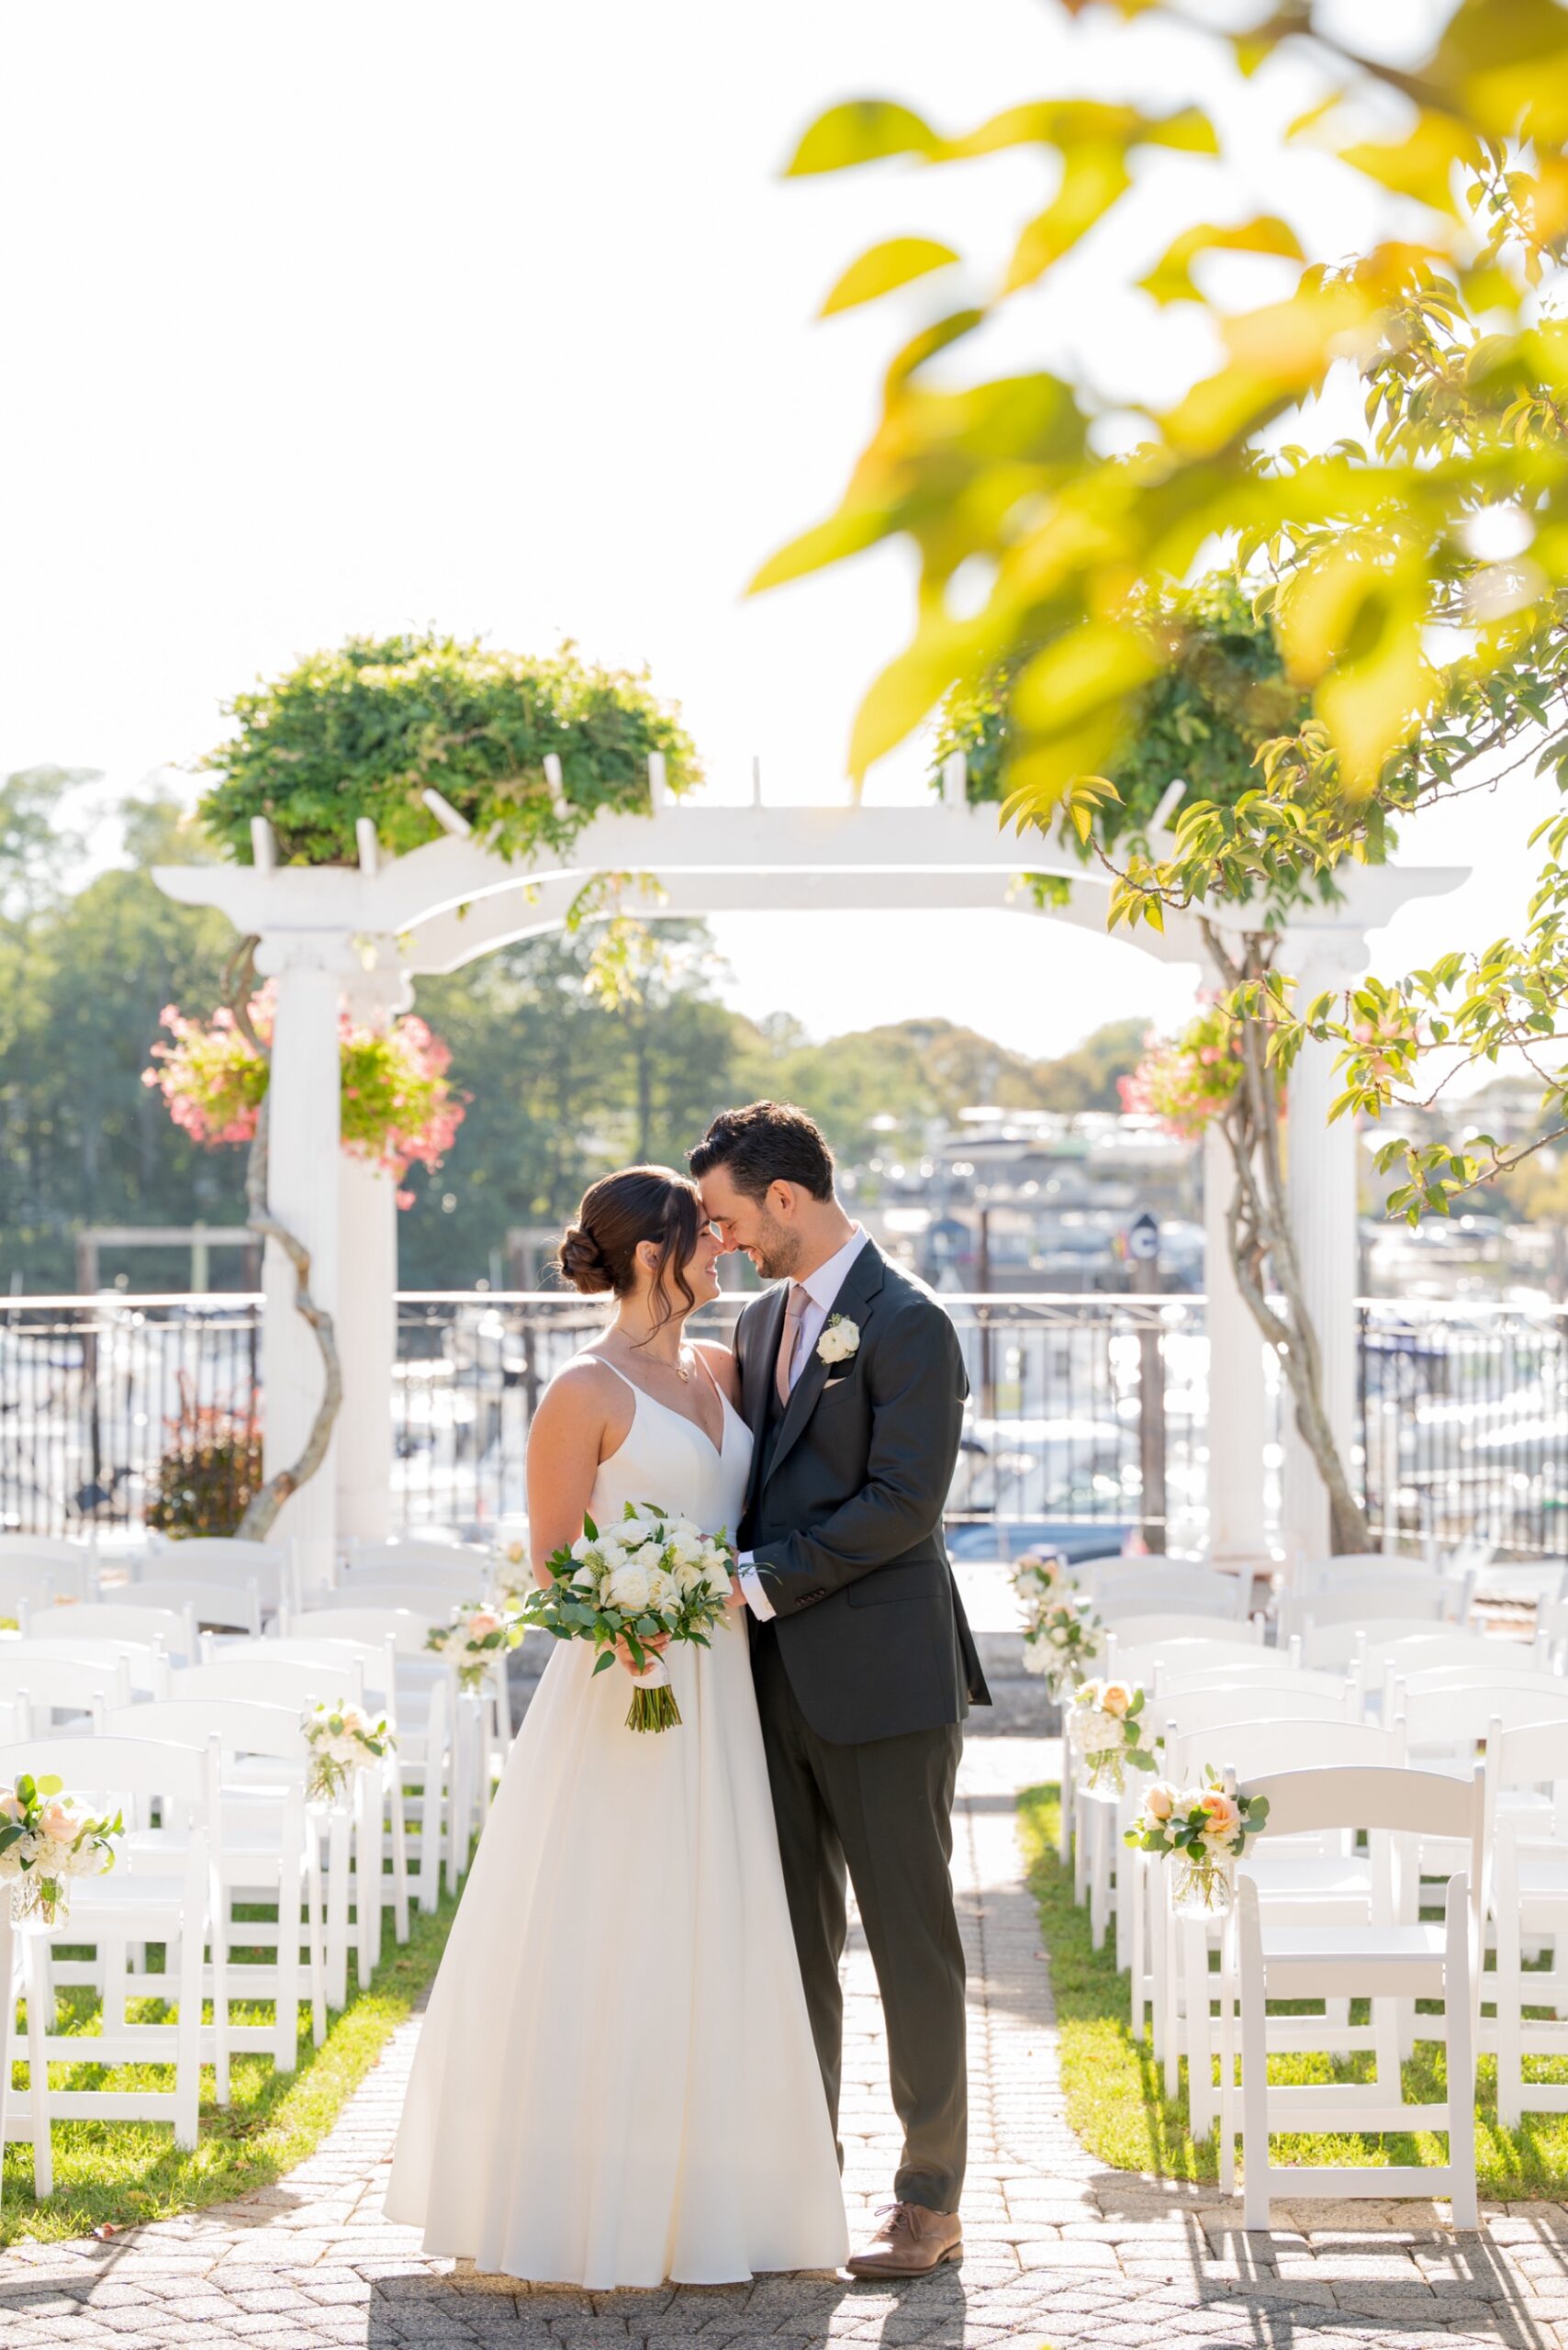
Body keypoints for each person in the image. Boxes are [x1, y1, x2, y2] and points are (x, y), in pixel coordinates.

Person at [383, 1165, 848, 2288]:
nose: (723, 1250)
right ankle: (582, 2201)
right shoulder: (581, 1392)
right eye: (704, 1238)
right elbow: (550, 1568)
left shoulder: (728, 1367)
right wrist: (623, 1626)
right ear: (654, 1257)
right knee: (618, 1920)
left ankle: (720, 2203)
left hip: (724, 1684)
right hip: (621, 1689)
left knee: (721, 1921)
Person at [690, 1101, 989, 2280]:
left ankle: (929, 2196)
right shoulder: (762, 1321)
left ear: (786, 1199)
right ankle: (800, 2179)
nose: (720, 1242)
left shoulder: (910, 1322)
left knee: (911, 1943)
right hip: (768, 1680)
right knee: (792, 1940)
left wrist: (755, 1578)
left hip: (885, 1678)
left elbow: (903, 1504)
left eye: (726, 1217)